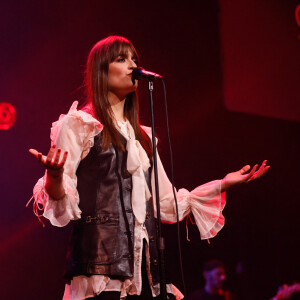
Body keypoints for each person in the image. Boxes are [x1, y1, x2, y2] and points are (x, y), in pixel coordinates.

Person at [29, 36, 269, 300]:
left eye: (135, 59)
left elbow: (167, 203)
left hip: (145, 273)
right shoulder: (80, 124)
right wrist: (53, 175)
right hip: (100, 272)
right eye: (122, 59)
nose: (133, 65)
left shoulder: (142, 137)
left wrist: (223, 183)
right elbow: (62, 203)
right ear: (101, 70)